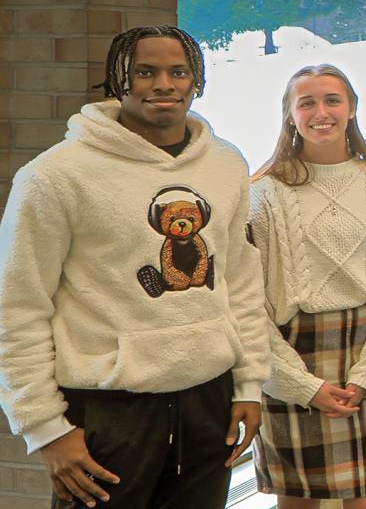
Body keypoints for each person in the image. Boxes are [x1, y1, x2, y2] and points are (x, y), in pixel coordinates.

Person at [0, 25, 270, 508]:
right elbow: (16, 306)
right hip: (109, 410)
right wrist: (43, 427)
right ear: (117, 79)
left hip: (211, 400)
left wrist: (249, 382)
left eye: (178, 71)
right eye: (145, 72)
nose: (163, 84)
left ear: (197, 80)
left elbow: (241, 280)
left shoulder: (226, 164)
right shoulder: (54, 176)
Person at [249, 65, 366, 508]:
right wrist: (299, 384)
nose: (321, 112)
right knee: (296, 503)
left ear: (351, 109)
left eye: (332, 100)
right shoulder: (263, 193)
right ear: (290, 115)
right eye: (307, 102)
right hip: (289, 356)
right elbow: (245, 303)